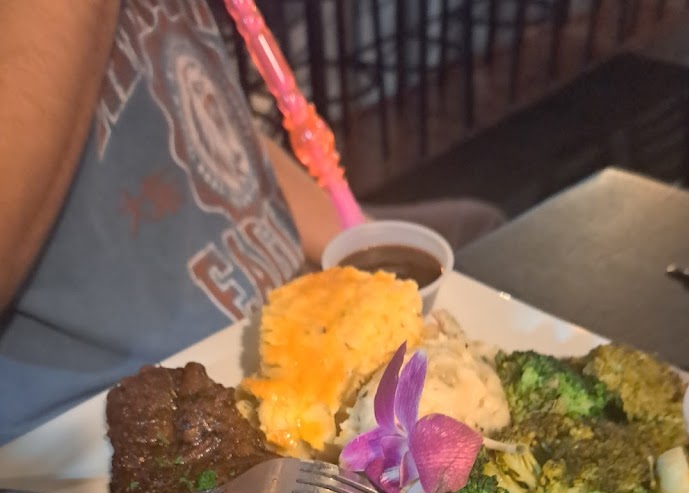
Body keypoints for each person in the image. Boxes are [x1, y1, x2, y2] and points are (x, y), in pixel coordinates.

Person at [0, 0, 503, 446]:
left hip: (293, 298)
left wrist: (363, 259)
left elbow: (213, 126)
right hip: (102, 436)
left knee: (483, 224)